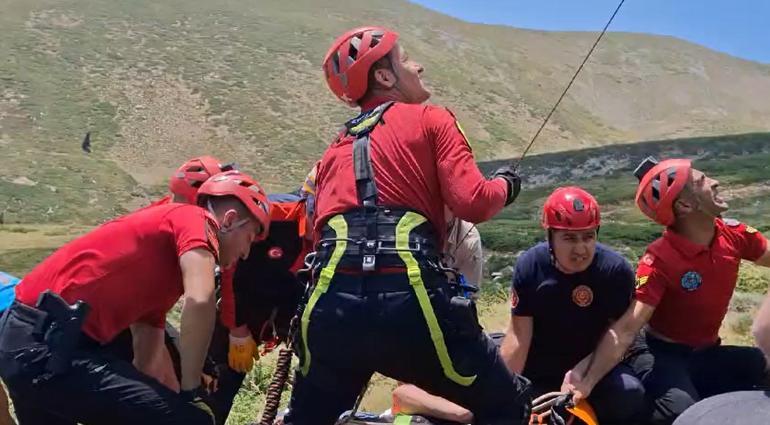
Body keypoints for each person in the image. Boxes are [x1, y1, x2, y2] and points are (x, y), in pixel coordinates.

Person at [283, 26, 529, 425]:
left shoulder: (333, 150)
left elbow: (316, 227)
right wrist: (506, 184)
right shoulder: (431, 119)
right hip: (407, 299)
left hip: (330, 308)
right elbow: (474, 202)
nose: (419, 65)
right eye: (407, 58)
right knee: (505, 405)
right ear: (384, 76)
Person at [0, 170, 271, 424]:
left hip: (32, 345)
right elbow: (200, 300)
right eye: (249, 238)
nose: (246, 253)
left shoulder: (160, 277)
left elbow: (148, 363)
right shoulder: (196, 220)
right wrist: (191, 392)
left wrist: (176, 400)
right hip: (46, 346)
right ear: (230, 220)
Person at [388, 187, 645, 424]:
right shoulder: (531, 266)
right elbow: (520, 337)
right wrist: (500, 393)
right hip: (539, 362)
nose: (581, 248)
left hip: (594, 361)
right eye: (569, 238)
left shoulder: (615, 271)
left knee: (630, 395)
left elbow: (618, 338)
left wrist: (584, 378)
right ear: (551, 236)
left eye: (588, 237)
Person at [562, 157, 770, 425]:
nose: (714, 182)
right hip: (664, 354)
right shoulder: (659, 259)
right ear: (685, 205)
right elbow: (627, 327)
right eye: (702, 181)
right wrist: (586, 383)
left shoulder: (735, 234)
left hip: (708, 352)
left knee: (762, 370)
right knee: (681, 413)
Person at [205, 193, 310, 424]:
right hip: (241, 302)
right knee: (218, 379)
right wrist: (235, 327)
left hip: (291, 307)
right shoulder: (272, 215)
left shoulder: (344, 228)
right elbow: (229, 267)